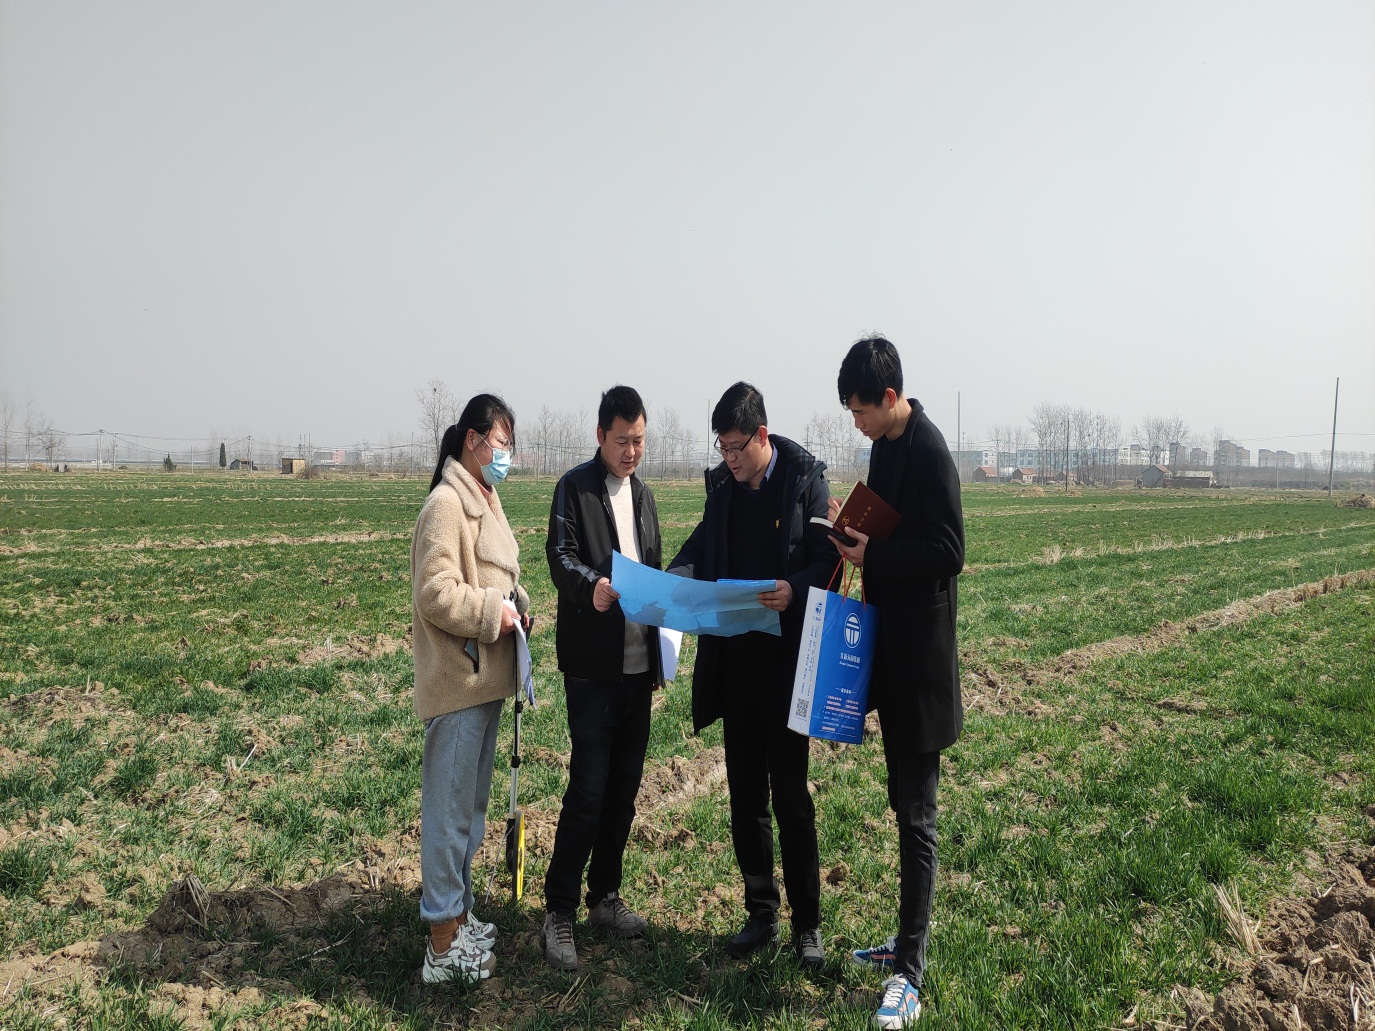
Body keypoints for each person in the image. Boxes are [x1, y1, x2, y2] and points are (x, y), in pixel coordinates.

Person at [666, 381, 835, 969]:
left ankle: (807, 925)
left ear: (762, 436)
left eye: (736, 448)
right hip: (736, 664)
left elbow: (828, 560)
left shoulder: (805, 481)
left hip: (787, 668)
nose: (729, 459)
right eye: (722, 448)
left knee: (791, 798)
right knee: (745, 798)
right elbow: (699, 546)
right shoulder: (722, 488)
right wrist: (671, 581)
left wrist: (795, 589)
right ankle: (760, 911)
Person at [831, 338, 964, 1030]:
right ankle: (905, 939)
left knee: (917, 815)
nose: (856, 423)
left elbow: (949, 550)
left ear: (888, 398)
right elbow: (886, 524)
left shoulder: (930, 451)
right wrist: (849, 527)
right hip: (891, 652)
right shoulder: (885, 447)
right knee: (902, 803)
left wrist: (875, 553)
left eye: (860, 411)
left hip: (921, 666)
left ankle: (909, 972)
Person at [541, 385, 664, 970]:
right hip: (593, 670)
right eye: (621, 441)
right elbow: (559, 556)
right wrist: (591, 585)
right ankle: (559, 910)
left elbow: (654, 568)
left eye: (638, 440)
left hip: (639, 669)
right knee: (588, 791)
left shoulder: (644, 495)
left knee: (623, 791)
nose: (631, 451)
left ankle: (605, 897)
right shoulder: (575, 488)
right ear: (599, 436)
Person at [411, 394, 531, 984]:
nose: (505, 454)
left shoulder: (486, 500)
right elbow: (435, 591)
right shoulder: (446, 505)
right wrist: (491, 613)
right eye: (500, 443)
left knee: (470, 813)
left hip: (486, 681)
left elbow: (497, 578)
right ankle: (441, 945)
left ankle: (459, 917)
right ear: (473, 441)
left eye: (509, 444)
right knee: (448, 816)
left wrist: (517, 609)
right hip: (458, 682)